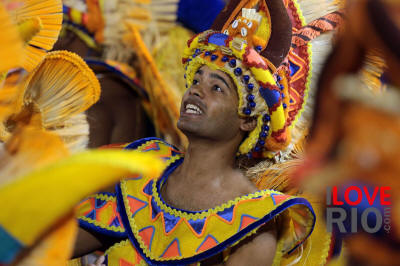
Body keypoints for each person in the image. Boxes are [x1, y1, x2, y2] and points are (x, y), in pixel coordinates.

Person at [72, 0, 342, 265]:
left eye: (217, 88)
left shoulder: (252, 223)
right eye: (197, 79)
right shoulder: (143, 168)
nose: (196, 90)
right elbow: (52, 245)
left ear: (247, 120)